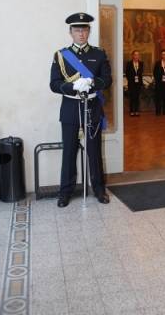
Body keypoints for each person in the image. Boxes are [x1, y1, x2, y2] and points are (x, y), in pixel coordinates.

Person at [50, 12, 112, 207]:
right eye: (77, 30)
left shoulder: (99, 53)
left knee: (94, 152)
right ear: (71, 32)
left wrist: (91, 84)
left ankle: (99, 189)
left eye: (84, 29)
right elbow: (54, 84)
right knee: (69, 152)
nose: (81, 34)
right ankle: (65, 192)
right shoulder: (61, 55)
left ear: (89, 31)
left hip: (92, 107)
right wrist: (73, 87)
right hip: (70, 108)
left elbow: (108, 79)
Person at [153, 49, 165, 115]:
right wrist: (159, 79)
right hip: (159, 84)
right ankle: (158, 112)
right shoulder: (158, 63)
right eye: (162, 54)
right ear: (161, 55)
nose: (164, 55)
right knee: (158, 98)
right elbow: (155, 73)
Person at [125, 50, 143, 116]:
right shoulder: (129, 63)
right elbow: (127, 73)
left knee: (137, 98)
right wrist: (131, 79)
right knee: (132, 97)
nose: (136, 56)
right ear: (132, 56)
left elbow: (140, 73)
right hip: (131, 83)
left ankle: (137, 111)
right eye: (135, 55)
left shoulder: (141, 63)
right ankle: (132, 111)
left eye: (137, 55)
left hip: (138, 83)